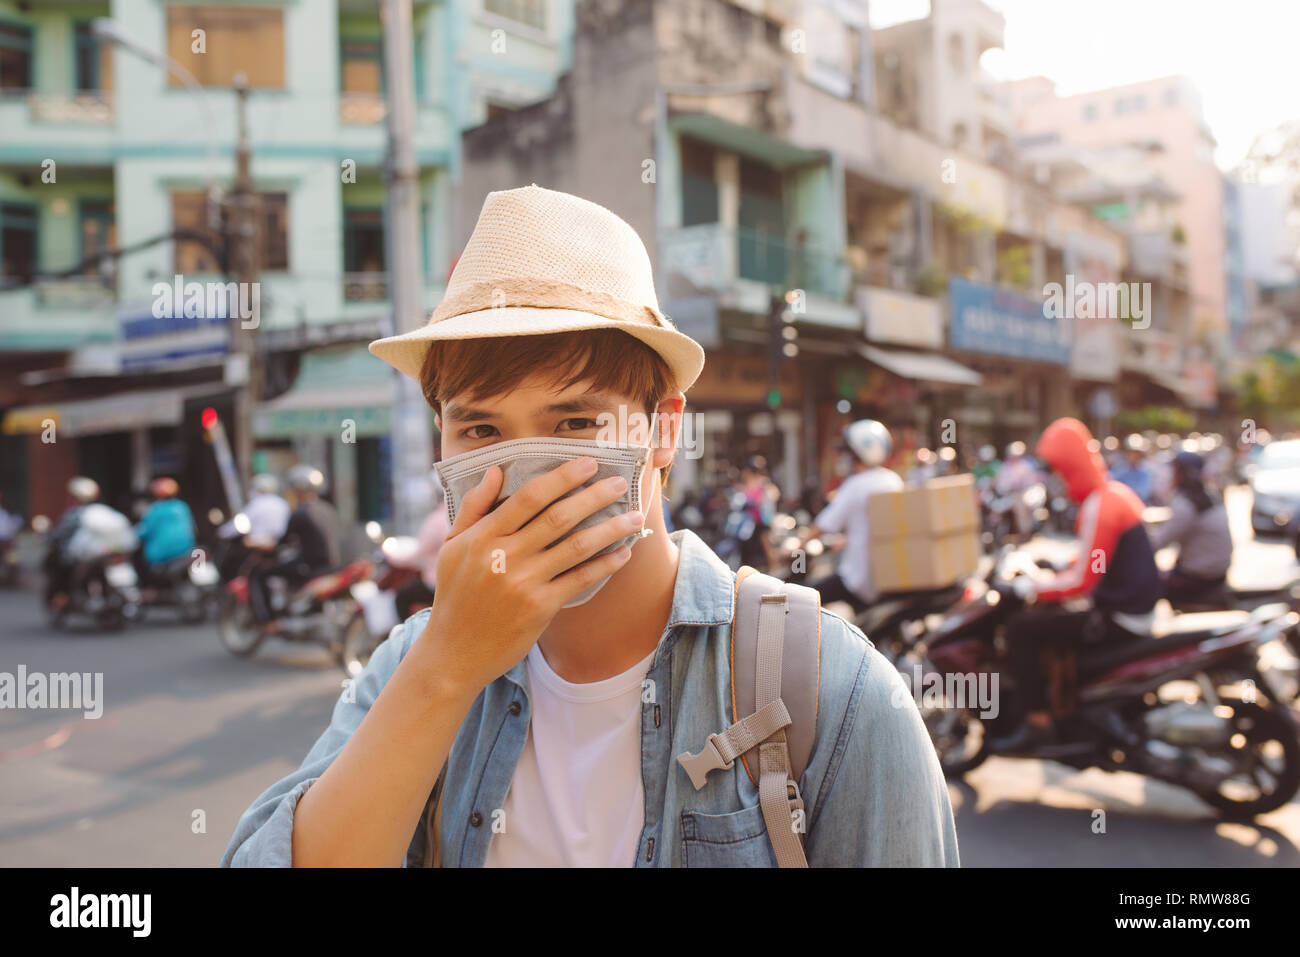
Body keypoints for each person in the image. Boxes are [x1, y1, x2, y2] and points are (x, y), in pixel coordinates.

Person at [222, 185, 956, 868]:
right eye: (480, 428)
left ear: (663, 430)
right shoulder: (411, 665)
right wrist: (444, 670)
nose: (526, 476)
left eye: (574, 421)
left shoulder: (841, 693)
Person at [988, 417, 1160, 755]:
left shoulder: (1101, 505)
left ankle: (1037, 723)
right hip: (1131, 609)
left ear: (1071, 466)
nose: (1057, 481)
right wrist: (1056, 569)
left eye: (1059, 471)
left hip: (1120, 617)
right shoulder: (1112, 495)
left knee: (1021, 628)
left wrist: (1030, 589)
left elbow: (1083, 581)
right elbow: (1096, 560)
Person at [803, 419, 904, 612]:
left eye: (848, 454)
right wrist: (848, 540)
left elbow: (823, 525)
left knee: (802, 598)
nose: (843, 459)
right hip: (886, 576)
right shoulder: (893, 480)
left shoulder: (855, 485)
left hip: (858, 580)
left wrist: (797, 547)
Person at [246, 465, 341, 628]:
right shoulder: (328, 509)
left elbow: (281, 543)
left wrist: (259, 544)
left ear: (299, 489)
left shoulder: (301, 513)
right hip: (333, 565)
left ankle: (269, 621)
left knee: (259, 574)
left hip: (309, 567)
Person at [1150, 450, 1233, 605]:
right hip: (1217, 573)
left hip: (1198, 578)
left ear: (1183, 473)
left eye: (1174, 470)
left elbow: (1158, 542)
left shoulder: (1187, 504)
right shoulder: (1210, 496)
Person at [388, 482, 451, 618]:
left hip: (437, 582)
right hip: (456, 579)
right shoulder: (459, 514)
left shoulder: (437, 519)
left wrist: (393, 558)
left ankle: (408, 637)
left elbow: (420, 553)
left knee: (401, 597)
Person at [134, 477, 196, 583]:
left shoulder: (155, 510)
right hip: (187, 552)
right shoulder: (182, 507)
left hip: (162, 557)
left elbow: (144, 532)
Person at [1112, 433, 1154, 505]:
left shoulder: (1145, 472)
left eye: (1136, 453)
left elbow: (1144, 493)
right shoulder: (1118, 471)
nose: (1133, 456)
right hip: (1121, 506)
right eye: (1131, 453)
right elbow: (1112, 488)